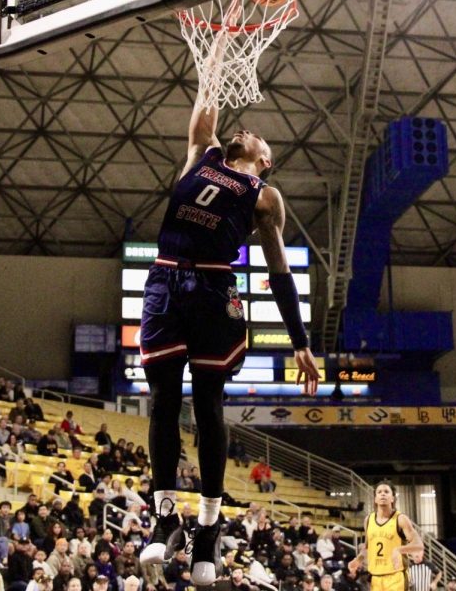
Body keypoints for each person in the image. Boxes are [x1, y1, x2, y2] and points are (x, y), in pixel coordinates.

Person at [137, 92, 321, 586]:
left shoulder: (264, 194)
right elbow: (204, 112)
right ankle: (165, 515)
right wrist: (216, 52)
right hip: (166, 281)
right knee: (162, 402)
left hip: (215, 291)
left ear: (265, 159)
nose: (246, 130)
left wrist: (300, 341)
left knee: (208, 408)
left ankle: (210, 526)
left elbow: (279, 270)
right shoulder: (205, 154)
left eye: (257, 136)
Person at [348, 482, 424, 591]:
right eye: (379, 492)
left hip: (396, 576)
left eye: (386, 492)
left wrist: (399, 550)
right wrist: (358, 560)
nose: (383, 494)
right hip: (376, 578)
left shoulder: (400, 519)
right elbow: (368, 548)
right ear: (375, 499)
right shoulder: (368, 520)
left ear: (392, 498)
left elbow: (419, 545)